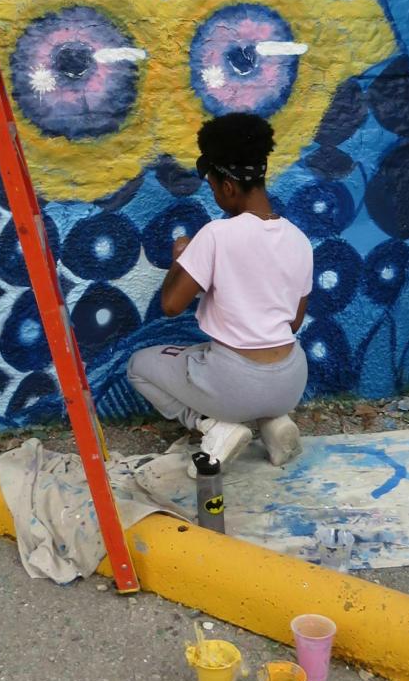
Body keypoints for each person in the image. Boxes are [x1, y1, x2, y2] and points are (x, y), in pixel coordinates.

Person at [127, 112, 312, 470]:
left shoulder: (216, 234)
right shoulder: (299, 239)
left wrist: (181, 258)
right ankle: (274, 422)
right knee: (217, 355)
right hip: (291, 379)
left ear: (228, 187)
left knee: (138, 365)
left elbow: (170, 305)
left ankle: (214, 426)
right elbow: (292, 322)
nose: (216, 196)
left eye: (213, 188)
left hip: (234, 383)